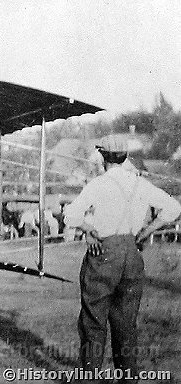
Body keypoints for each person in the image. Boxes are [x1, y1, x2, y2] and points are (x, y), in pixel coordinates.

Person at [64, 136, 181, 378]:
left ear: (103, 157)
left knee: (93, 322)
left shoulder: (98, 184)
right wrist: (146, 231)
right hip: (131, 253)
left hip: (103, 254)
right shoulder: (140, 184)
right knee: (126, 325)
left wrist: (89, 230)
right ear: (125, 157)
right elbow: (173, 208)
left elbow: (71, 216)